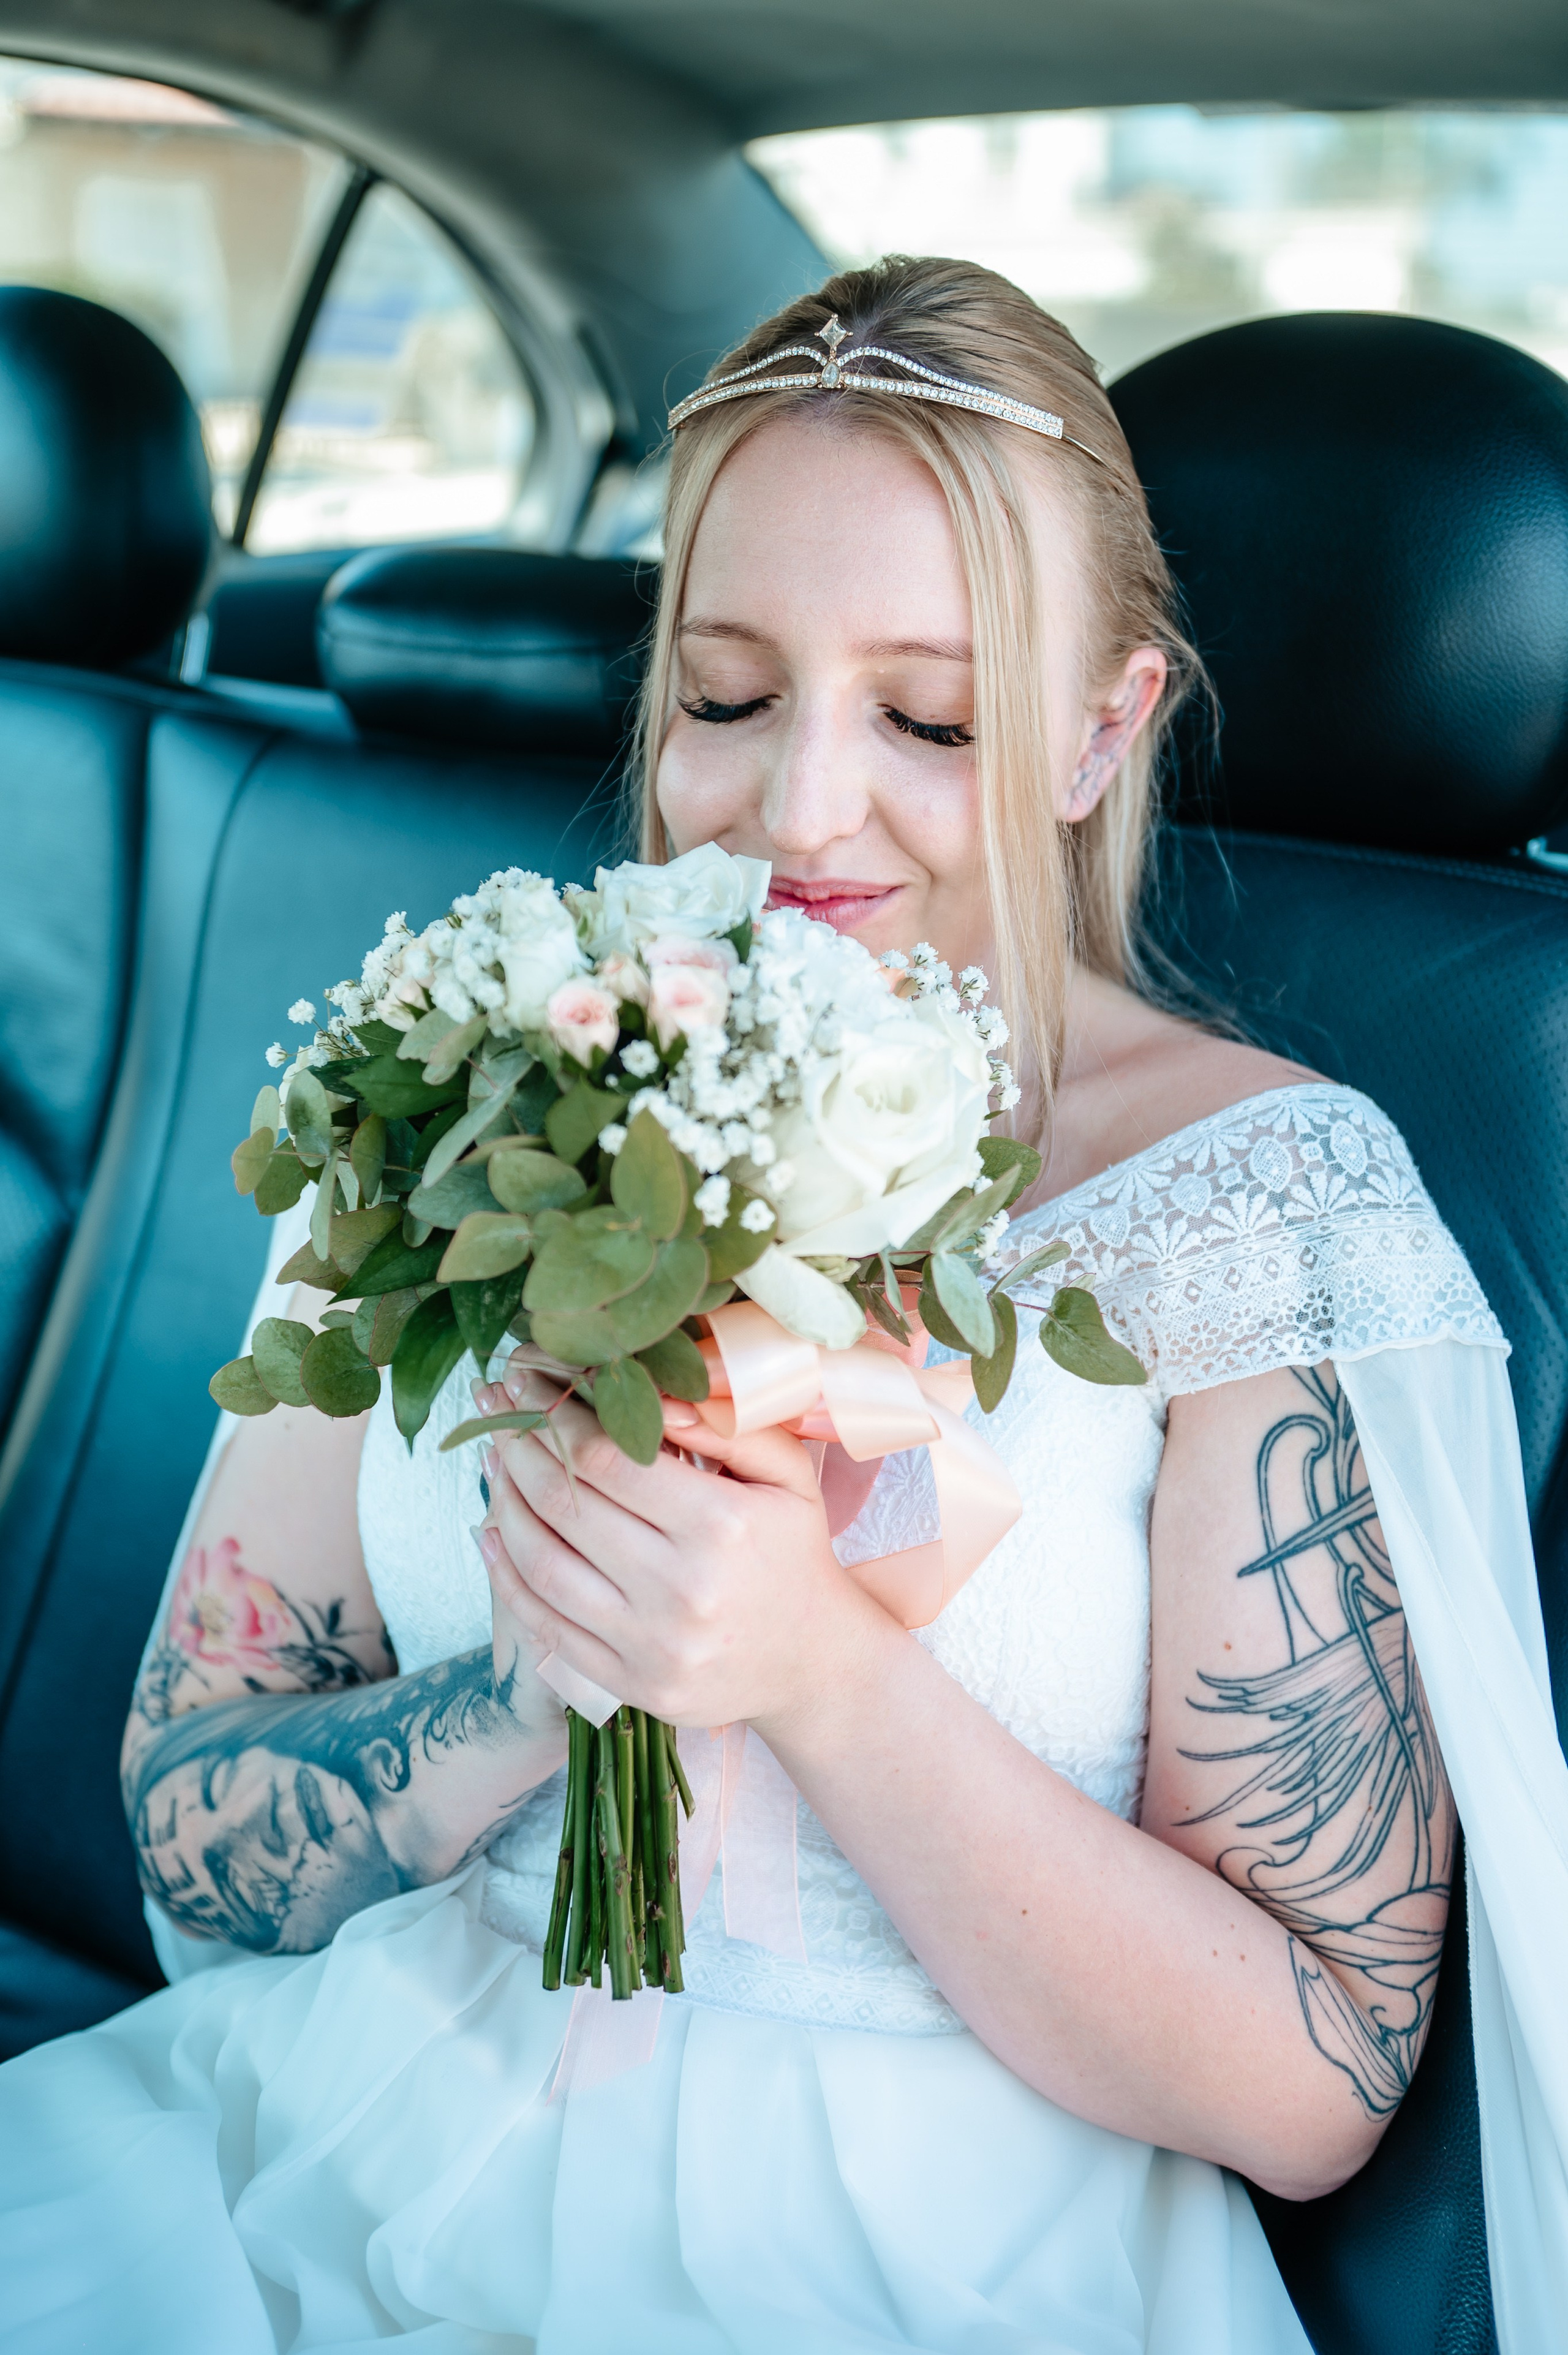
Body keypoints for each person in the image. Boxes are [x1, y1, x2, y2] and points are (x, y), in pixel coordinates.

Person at [0, 254, 1559, 2355]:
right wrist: (526, 1697)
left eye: (931, 718)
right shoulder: (461, 1081)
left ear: (1104, 725)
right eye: (727, 696)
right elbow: (190, 1830)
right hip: (333, 2144)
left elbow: (1315, 2078)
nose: (799, 806)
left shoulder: (1258, 1209)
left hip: (926, 2268)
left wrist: (816, 1670)